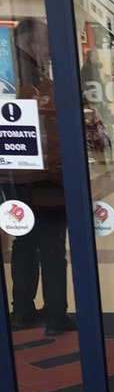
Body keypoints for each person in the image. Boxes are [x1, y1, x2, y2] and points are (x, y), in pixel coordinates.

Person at [3, 18, 75, 335]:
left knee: (24, 240)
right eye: (46, 42)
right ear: (32, 44)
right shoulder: (34, 83)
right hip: (42, 178)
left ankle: (23, 310)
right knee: (51, 245)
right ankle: (56, 316)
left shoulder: (11, 75)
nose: (50, 49)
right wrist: (62, 175)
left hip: (13, 177)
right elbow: (49, 135)